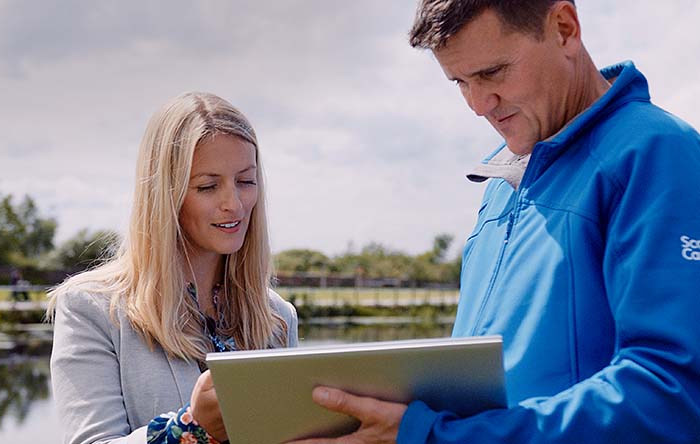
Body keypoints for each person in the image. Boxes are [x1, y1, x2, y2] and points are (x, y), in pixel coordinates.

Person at [291, 1, 700, 443]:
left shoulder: (660, 154)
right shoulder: (500, 184)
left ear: (564, 29)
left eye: (492, 73)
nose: (478, 104)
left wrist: (431, 436)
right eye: (459, 82)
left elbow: (672, 395)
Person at [47, 92, 298, 444]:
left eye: (246, 181)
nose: (235, 204)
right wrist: (190, 429)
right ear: (166, 194)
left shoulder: (277, 317)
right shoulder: (91, 309)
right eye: (208, 186)